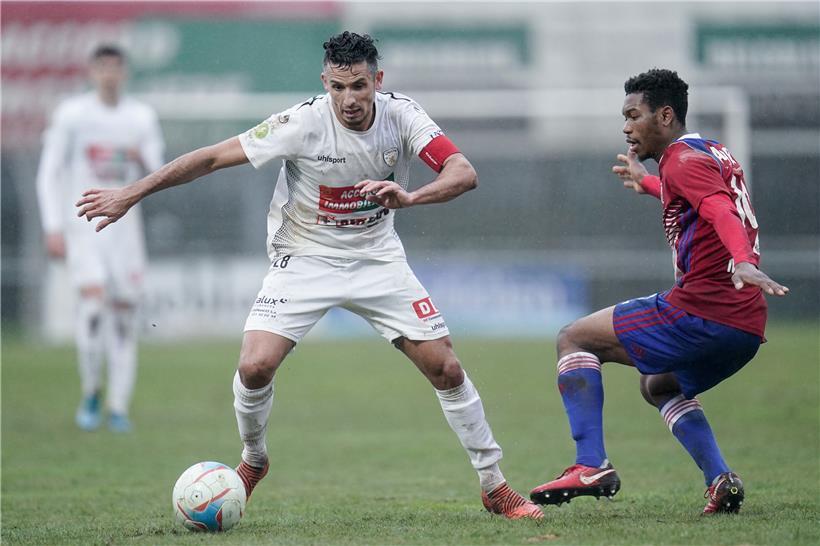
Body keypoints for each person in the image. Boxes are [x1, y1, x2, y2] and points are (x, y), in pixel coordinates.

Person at [76, 32, 543, 519]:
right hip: (303, 257)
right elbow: (211, 158)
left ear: (377, 81)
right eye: (338, 87)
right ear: (325, 82)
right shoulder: (301, 123)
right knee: (254, 367)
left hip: (376, 258)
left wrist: (410, 198)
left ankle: (495, 486)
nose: (349, 100)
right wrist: (130, 193)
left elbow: (462, 171)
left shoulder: (404, 115)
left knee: (445, 367)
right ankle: (254, 461)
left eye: (359, 86)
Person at [528, 68, 789, 515]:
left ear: (665, 116)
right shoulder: (709, 152)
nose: (626, 127)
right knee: (659, 384)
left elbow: (719, 208)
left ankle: (590, 463)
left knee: (574, 337)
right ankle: (720, 479)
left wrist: (743, 259)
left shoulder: (681, 161)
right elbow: (702, 197)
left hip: (702, 312)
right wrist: (649, 183)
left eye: (634, 115)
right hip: (745, 327)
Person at [36, 44, 165, 433]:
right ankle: (91, 390)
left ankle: (118, 406)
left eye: (116, 67)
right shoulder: (72, 115)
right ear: (92, 72)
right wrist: (52, 226)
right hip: (85, 227)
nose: (109, 74)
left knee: (124, 318)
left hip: (126, 233)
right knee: (93, 309)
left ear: (125, 72)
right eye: (102, 67)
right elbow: (49, 172)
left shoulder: (141, 116)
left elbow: (158, 169)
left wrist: (143, 157)